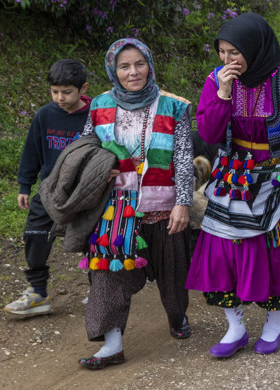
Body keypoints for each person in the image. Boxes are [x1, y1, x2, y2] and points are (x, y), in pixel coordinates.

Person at [186, 12, 280, 358]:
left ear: (256, 49)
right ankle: (235, 327)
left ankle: (273, 325)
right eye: (222, 52)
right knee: (221, 250)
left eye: (234, 52)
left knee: (275, 252)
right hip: (234, 174)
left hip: (278, 175)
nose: (227, 60)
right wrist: (222, 94)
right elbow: (208, 134)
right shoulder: (216, 81)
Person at [76, 38, 194, 369]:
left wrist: (183, 203)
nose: (133, 72)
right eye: (124, 66)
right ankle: (111, 345)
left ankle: (177, 317)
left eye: (139, 64)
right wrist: (99, 167)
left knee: (173, 276)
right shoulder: (98, 105)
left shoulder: (174, 106)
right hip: (115, 209)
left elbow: (184, 158)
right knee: (107, 276)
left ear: (150, 64)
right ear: (113, 70)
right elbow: (85, 150)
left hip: (164, 206)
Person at [5, 59, 91, 316]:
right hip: (49, 189)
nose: (60, 98)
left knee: (92, 238)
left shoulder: (96, 115)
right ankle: (37, 292)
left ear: (82, 89)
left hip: (84, 191)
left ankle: (99, 288)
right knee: (34, 234)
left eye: (67, 92)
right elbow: (31, 151)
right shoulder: (45, 115)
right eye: (55, 91)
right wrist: (24, 185)